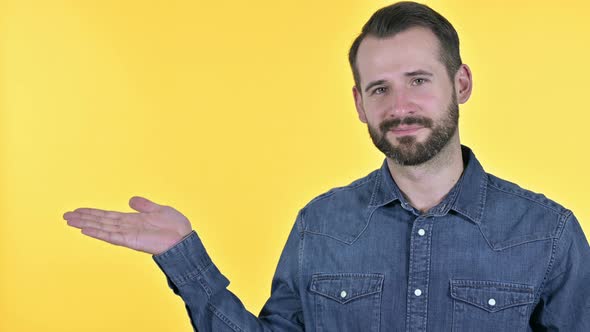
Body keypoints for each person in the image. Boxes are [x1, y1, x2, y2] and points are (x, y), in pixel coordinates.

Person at [62, 1, 590, 331]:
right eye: (379, 88)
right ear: (359, 104)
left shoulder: (550, 233)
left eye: (419, 79)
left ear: (461, 84)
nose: (399, 105)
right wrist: (185, 260)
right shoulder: (321, 223)